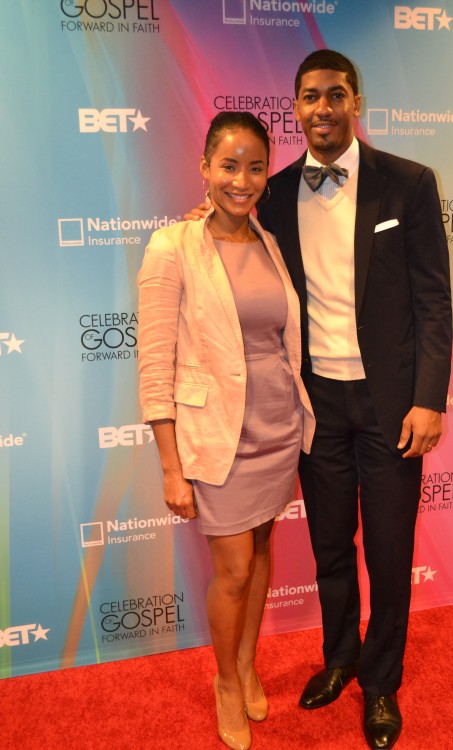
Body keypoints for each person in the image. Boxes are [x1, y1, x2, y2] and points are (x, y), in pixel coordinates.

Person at [187, 49, 452, 750]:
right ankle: (339, 659)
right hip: (314, 406)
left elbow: (433, 299)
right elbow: (225, 232)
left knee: (390, 551)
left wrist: (430, 397)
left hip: (393, 405)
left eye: (336, 94)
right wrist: (197, 217)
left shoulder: (410, 184)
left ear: (355, 101)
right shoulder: (269, 193)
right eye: (310, 96)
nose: (323, 108)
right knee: (331, 546)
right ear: (296, 107)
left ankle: (382, 684)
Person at [137, 111, 315, 750]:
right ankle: (225, 681)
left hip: (277, 429)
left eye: (256, 166)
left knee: (263, 552)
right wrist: (169, 463)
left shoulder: (267, 243)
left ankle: (247, 662)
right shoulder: (172, 246)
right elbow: (155, 361)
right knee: (234, 569)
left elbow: (278, 340)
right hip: (217, 438)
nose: (242, 180)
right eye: (229, 165)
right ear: (205, 168)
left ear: (268, 173)